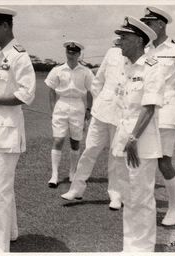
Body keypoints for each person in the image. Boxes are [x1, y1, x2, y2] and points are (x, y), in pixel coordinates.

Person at [0, 7, 36, 252]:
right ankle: (7, 232)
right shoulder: (0, 55)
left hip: (6, 133)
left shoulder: (19, 56)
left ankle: (0, 247)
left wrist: (0, 101)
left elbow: (26, 93)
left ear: (4, 25)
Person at [111, 16, 164, 251]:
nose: (119, 41)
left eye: (124, 37)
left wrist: (134, 138)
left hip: (141, 142)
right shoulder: (126, 67)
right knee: (128, 197)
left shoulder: (152, 67)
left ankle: (143, 249)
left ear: (139, 40)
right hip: (125, 141)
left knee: (142, 198)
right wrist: (126, 139)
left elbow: (149, 107)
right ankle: (130, 247)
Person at [140, 6, 175, 226]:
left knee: (163, 161)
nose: (147, 27)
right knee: (144, 160)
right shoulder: (144, 50)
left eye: (150, 23)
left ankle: (174, 207)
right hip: (144, 112)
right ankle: (146, 206)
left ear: (160, 24)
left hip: (166, 112)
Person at [61, 45, 126, 210]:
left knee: (116, 155)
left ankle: (116, 195)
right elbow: (98, 81)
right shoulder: (112, 52)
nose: (121, 41)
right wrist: (98, 103)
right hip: (101, 111)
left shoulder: (144, 57)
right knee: (90, 150)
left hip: (122, 114)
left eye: (125, 37)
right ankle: (76, 188)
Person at [45, 40, 94, 188]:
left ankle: (73, 172)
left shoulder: (86, 71)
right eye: (69, 52)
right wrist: (53, 110)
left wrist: (88, 110)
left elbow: (90, 91)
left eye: (74, 53)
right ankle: (54, 175)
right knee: (58, 139)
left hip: (78, 105)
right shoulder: (57, 70)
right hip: (62, 104)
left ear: (79, 54)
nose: (71, 55)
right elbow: (52, 90)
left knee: (75, 141)